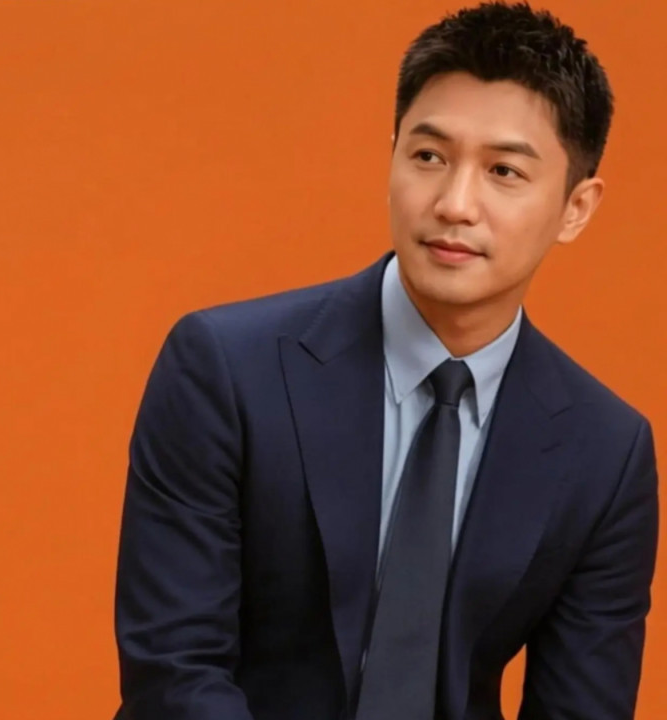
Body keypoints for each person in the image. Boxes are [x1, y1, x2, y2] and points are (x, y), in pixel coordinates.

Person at [112, 3, 660, 719]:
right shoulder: (224, 369)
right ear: (393, 154)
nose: (454, 204)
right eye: (428, 156)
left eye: (503, 170)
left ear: (576, 208)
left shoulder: (606, 451)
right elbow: (174, 673)